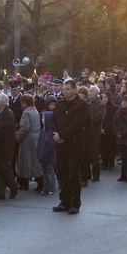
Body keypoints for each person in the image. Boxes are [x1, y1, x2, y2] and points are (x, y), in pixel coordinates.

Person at [51, 79, 88, 214]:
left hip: (73, 144)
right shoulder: (61, 104)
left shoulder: (81, 105)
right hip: (60, 145)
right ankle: (64, 200)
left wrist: (62, 135)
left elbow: (77, 125)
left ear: (74, 90)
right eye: (64, 89)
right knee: (62, 173)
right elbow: (53, 120)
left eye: (67, 89)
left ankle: (75, 203)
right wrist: (56, 134)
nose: (65, 91)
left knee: (73, 174)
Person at [15, 94, 41, 191]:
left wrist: (17, 137)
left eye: (22, 103)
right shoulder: (35, 111)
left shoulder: (26, 113)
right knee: (35, 161)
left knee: (25, 161)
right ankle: (39, 181)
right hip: (35, 137)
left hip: (28, 139)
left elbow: (25, 128)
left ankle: (23, 183)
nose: (21, 105)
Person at [36, 95, 58, 195]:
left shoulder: (50, 132)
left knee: (50, 172)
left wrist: (44, 152)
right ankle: (45, 187)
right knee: (44, 173)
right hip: (43, 155)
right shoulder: (43, 131)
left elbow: (50, 145)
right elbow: (40, 143)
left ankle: (51, 188)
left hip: (48, 156)